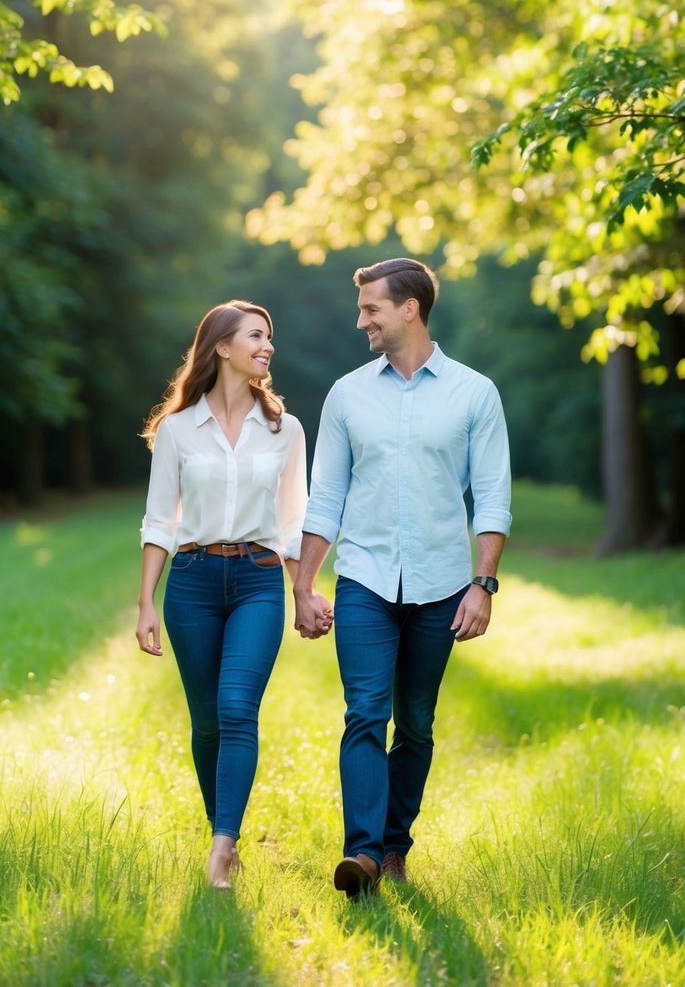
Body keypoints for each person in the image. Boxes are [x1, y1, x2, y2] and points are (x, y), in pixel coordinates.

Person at [292, 258, 512, 898]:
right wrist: (304, 586)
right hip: (363, 577)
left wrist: (483, 583)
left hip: (443, 584)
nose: (361, 320)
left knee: (415, 722)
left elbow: (493, 499)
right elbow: (325, 496)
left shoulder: (474, 394)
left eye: (371, 309)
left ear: (409, 309)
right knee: (365, 712)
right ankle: (360, 855)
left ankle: (394, 847)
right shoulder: (346, 395)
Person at [135, 300, 333, 889]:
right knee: (207, 724)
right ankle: (221, 828)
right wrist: (146, 600)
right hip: (191, 583)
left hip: (257, 580)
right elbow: (158, 521)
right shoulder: (176, 430)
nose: (268, 345)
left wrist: (304, 590)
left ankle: (223, 847)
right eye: (256, 335)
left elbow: (296, 519)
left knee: (237, 708)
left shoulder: (285, 429)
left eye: (270, 337)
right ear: (221, 346)